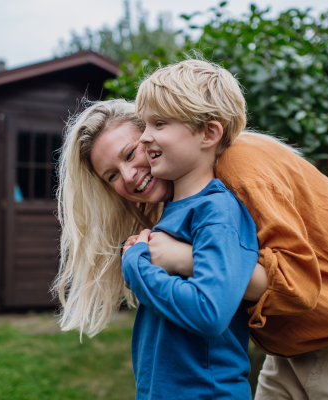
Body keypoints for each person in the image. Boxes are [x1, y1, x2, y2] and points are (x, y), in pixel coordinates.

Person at [53, 61, 328, 399]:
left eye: (131, 152)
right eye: (112, 176)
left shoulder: (235, 167)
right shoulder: (179, 198)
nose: (130, 176)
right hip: (294, 345)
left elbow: (295, 284)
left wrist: (176, 259)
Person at [120, 59, 261, 398]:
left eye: (160, 123)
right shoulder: (177, 209)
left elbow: (209, 311)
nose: (145, 137)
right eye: (144, 124)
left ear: (209, 134)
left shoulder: (217, 209)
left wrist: (136, 266)